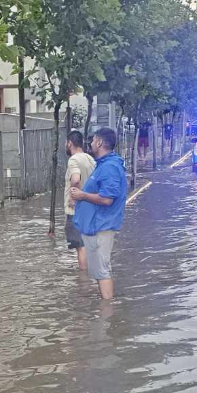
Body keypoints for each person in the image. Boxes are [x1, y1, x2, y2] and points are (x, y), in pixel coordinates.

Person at [70, 127, 127, 300]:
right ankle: (104, 307)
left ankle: (107, 312)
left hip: (102, 225)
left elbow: (107, 199)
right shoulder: (103, 165)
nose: (91, 143)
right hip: (95, 225)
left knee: (102, 270)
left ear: (100, 142)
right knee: (99, 271)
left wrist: (82, 195)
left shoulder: (109, 167)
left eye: (94, 140)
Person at [64, 131, 96, 271]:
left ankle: (84, 280)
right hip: (90, 208)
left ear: (70, 143)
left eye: (66, 143)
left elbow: (75, 179)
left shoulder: (74, 159)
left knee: (80, 247)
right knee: (89, 245)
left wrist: (72, 198)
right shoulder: (90, 159)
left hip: (77, 210)